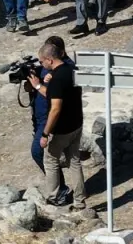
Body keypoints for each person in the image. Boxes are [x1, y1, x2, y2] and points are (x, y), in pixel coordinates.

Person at [32, 40, 87, 210]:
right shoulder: (71, 70)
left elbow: (55, 108)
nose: (41, 65)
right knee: (74, 162)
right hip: (76, 124)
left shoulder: (56, 79)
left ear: (49, 59)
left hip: (62, 129)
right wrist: (40, 85)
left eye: (42, 61)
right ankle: (80, 200)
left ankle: (54, 196)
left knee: (50, 160)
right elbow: (54, 95)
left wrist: (45, 134)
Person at [27, 36, 74, 190]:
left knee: (37, 152)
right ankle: (58, 186)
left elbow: (57, 97)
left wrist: (39, 85)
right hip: (39, 116)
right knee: (47, 154)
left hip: (50, 119)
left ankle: (60, 188)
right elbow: (33, 88)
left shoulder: (66, 69)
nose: (46, 60)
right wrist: (31, 82)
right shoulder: (46, 67)